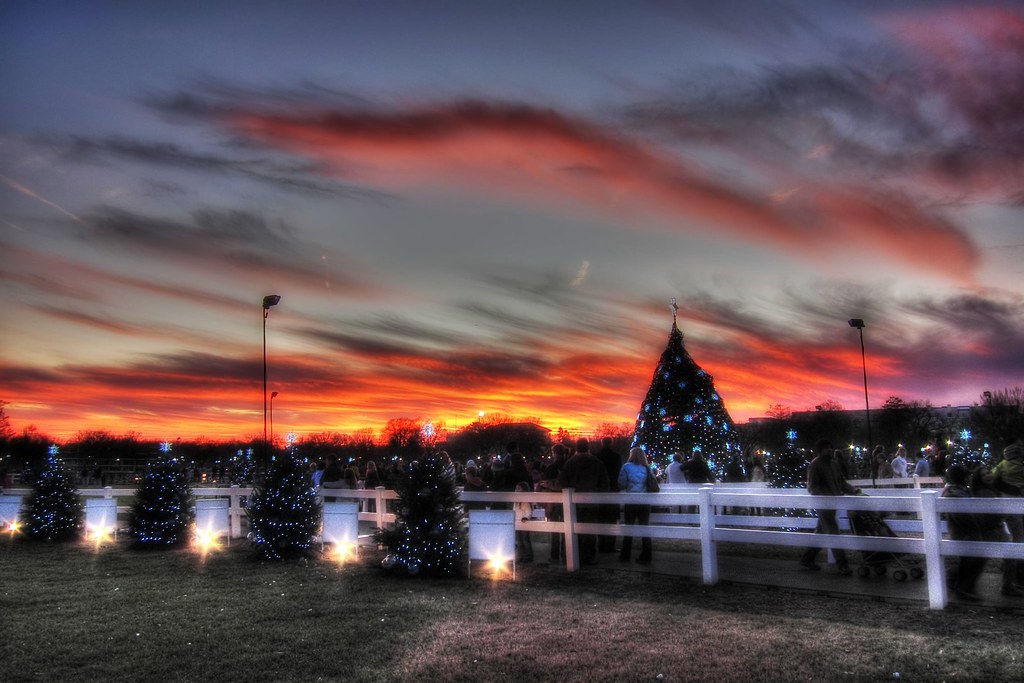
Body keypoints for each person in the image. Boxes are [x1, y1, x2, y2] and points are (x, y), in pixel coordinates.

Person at [799, 439, 861, 575]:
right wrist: (825, 498)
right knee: (833, 532)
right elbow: (812, 487)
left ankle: (807, 559)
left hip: (833, 504)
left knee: (821, 532)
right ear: (820, 450)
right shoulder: (815, 465)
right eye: (826, 448)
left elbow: (842, 483)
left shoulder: (834, 464)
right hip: (823, 505)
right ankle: (842, 564)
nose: (830, 450)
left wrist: (854, 490)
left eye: (831, 448)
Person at [972, 463, 1023, 597]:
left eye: (988, 472)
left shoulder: (990, 489)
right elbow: (992, 512)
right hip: (992, 529)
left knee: (980, 559)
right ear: (979, 479)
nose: (988, 475)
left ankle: (1009, 584)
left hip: (995, 528)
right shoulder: (985, 492)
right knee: (1009, 556)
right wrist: (1007, 514)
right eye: (983, 475)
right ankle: (1007, 587)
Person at [557, 437, 610, 565]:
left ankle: (569, 556)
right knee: (589, 531)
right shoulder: (597, 462)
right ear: (588, 447)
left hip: (573, 503)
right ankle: (588, 558)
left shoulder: (570, 462)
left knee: (571, 530)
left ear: (576, 448)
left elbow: (562, 482)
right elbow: (605, 483)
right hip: (591, 502)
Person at [941, 464, 985, 600]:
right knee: (972, 559)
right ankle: (962, 587)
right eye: (967, 475)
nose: (969, 477)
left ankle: (956, 583)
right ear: (961, 478)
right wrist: (975, 524)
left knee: (968, 560)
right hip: (964, 532)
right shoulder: (955, 494)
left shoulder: (960, 491)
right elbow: (963, 516)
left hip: (965, 530)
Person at [992, 441, 1024, 593]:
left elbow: (992, 476)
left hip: (1004, 501)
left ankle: (1014, 567)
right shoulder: (1021, 465)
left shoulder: (1002, 465)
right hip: (1018, 501)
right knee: (1018, 534)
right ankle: (1017, 569)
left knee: (1010, 530)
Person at [617, 447, 653, 564]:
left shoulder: (626, 467)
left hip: (631, 500)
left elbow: (621, 484)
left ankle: (625, 555)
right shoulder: (647, 468)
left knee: (629, 527)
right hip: (644, 501)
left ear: (631, 455)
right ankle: (647, 555)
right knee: (644, 528)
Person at [539, 444, 569, 562]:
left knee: (555, 529)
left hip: (554, 500)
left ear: (554, 453)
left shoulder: (552, 467)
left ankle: (554, 555)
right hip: (566, 499)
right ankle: (566, 554)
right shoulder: (568, 464)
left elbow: (545, 482)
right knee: (567, 528)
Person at [594, 437, 623, 553]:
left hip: (600, 490)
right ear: (611, 443)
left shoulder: (596, 456)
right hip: (613, 489)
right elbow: (619, 473)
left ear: (602, 443)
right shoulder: (617, 457)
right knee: (612, 519)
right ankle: (611, 546)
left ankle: (601, 545)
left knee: (601, 518)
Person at [514, 481, 534, 563]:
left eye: (518, 488)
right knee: (519, 541)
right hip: (517, 523)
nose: (516, 490)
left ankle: (528, 556)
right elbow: (514, 510)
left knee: (525, 540)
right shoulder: (515, 501)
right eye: (516, 488)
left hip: (524, 523)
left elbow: (529, 512)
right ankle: (520, 556)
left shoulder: (525, 501)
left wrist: (525, 518)